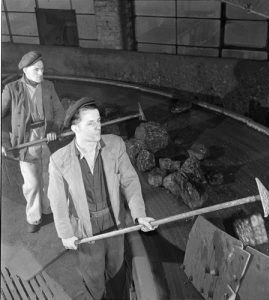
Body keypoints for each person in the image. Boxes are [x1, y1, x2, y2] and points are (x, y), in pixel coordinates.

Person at [48, 97, 157, 300]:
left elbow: (130, 181)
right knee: (93, 276)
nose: (98, 127)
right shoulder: (59, 160)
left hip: (114, 222)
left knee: (116, 270)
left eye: (98, 121)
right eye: (91, 123)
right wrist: (65, 233)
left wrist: (139, 215)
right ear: (75, 128)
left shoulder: (115, 145)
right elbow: (58, 200)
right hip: (85, 230)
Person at [1, 50, 65, 233]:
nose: (41, 74)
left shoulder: (48, 86)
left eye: (42, 69)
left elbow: (59, 111)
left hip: (46, 137)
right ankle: (34, 217)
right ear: (26, 71)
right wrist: (4, 141)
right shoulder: (12, 89)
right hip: (25, 140)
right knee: (33, 183)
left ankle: (48, 208)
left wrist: (54, 129)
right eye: (37, 70)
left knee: (49, 176)